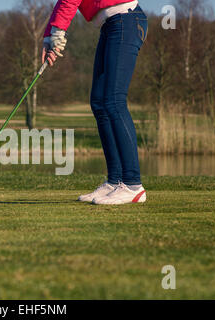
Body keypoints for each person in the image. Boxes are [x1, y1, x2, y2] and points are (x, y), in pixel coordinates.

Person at [43, 0, 148, 205]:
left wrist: (58, 32)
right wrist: (49, 36)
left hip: (125, 20)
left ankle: (133, 185)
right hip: (112, 25)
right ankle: (115, 181)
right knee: (99, 102)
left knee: (114, 101)